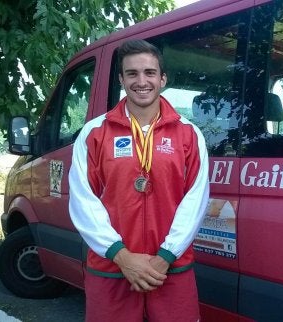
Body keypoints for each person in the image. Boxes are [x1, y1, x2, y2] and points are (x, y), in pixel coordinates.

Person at [68, 39, 210, 322]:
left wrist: (164, 257)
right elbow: (83, 199)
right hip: (111, 268)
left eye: (149, 73)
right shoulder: (94, 132)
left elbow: (195, 201)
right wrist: (122, 256)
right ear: (121, 79)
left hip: (170, 268)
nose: (141, 81)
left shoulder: (189, 134)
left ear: (162, 78)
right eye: (132, 73)